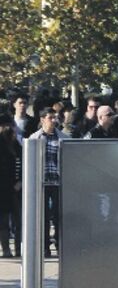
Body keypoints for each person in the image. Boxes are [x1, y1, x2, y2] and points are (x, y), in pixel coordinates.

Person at [28, 109, 67, 257]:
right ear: (42, 119)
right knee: (43, 216)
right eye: (50, 118)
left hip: (58, 182)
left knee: (58, 216)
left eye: (55, 117)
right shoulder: (35, 138)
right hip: (42, 183)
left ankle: (59, 244)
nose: (54, 120)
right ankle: (44, 247)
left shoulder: (62, 137)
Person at [0, 115, 21, 257]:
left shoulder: (16, 144)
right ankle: (6, 249)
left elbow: (23, 162)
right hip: (2, 188)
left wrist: (20, 181)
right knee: (3, 222)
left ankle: (19, 249)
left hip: (16, 187)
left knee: (19, 221)